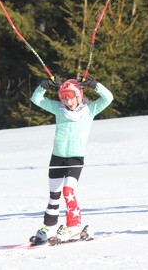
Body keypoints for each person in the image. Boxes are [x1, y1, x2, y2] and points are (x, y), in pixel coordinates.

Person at [30, 75, 113, 243]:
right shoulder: (59, 109)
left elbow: (108, 98)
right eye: (64, 97)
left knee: (68, 191)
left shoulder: (89, 110)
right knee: (54, 195)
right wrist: (44, 85)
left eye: (71, 97)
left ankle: (74, 226)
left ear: (79, 95)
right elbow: (36, 99)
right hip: (57, 158)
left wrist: (95, 85)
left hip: (75, 158)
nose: (68, 101)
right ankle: (50, 227)